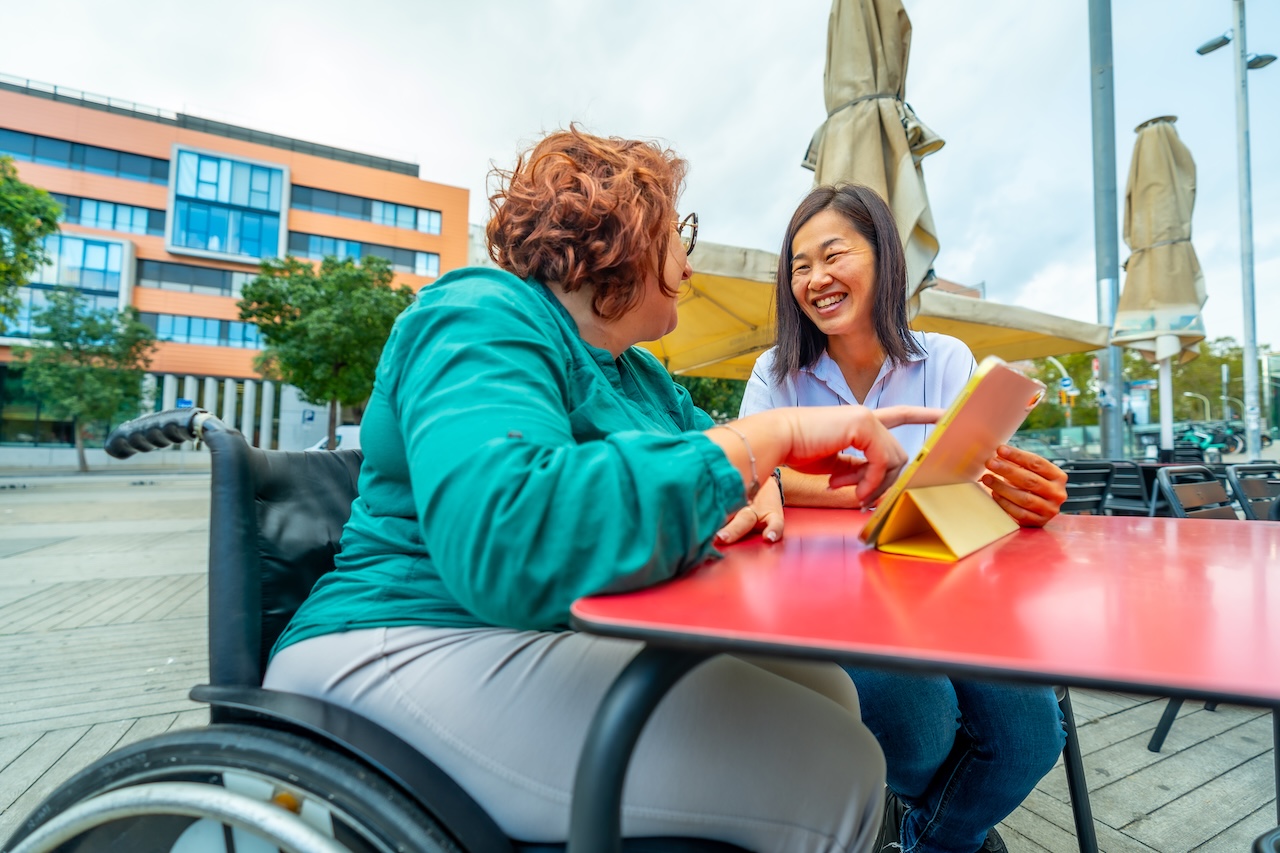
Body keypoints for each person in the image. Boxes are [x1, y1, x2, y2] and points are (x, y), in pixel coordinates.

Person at [264, 129, 941, 852]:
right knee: (835, 772)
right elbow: (508, 536)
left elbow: (736, 470)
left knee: (832, 688)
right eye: (681, 231)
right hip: (396, 642)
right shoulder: (478, 312)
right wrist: (763, 438)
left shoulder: (636, 374)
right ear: (630, 231)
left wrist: (865, 477)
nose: (690, 256)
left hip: (528, 630)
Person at [736, 183, 1069, 853]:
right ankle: (960, 837)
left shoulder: (945, 360)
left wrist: (1016, 497)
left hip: (945, 591)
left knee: (1032, 736)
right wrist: (863, 490)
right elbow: (755, 475)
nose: (816, 277)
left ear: (885, 259)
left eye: (833, 254)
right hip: (823, 597)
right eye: (799, 265)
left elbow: (964, 488)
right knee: (920, 724)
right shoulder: (777, 373)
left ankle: (930, 838)